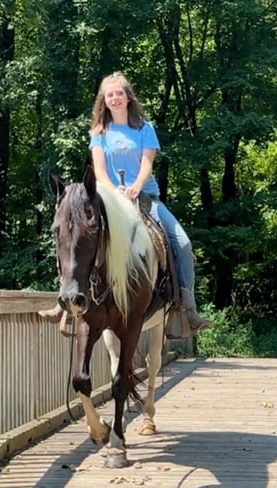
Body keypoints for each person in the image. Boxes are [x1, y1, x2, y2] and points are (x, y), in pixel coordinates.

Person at [40, 71, 212, 332]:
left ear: (128, 97)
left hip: (145, 198)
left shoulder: (144, 128)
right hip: (110, 200)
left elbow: (147, 163)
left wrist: (135, 187)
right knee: (75, 236)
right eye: (110, 95)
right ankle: (62, 301)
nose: (115, 98)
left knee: (184, 244)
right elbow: (98, 171)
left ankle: (187, 307)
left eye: (119, 93)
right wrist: (115, 192)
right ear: (104, 100)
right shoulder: (99, 132)